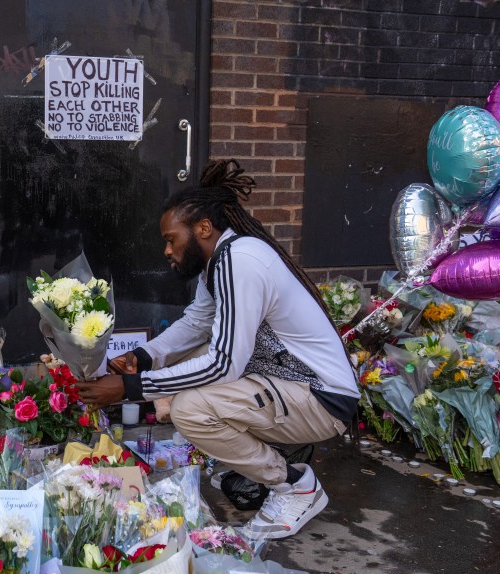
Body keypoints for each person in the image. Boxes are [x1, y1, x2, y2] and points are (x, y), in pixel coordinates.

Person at [79, 159, 359, 539]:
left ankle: (294, 485)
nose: (166, 250)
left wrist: (132, 388)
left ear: (204, 228)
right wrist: (143, 357)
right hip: (292, 386)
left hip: (321, 398)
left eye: (170, 238)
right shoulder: (221, 261)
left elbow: (224, 364)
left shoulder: (238, 260)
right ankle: (261, 465)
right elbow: (196, 324)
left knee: (190, 409)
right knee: (191, 368)